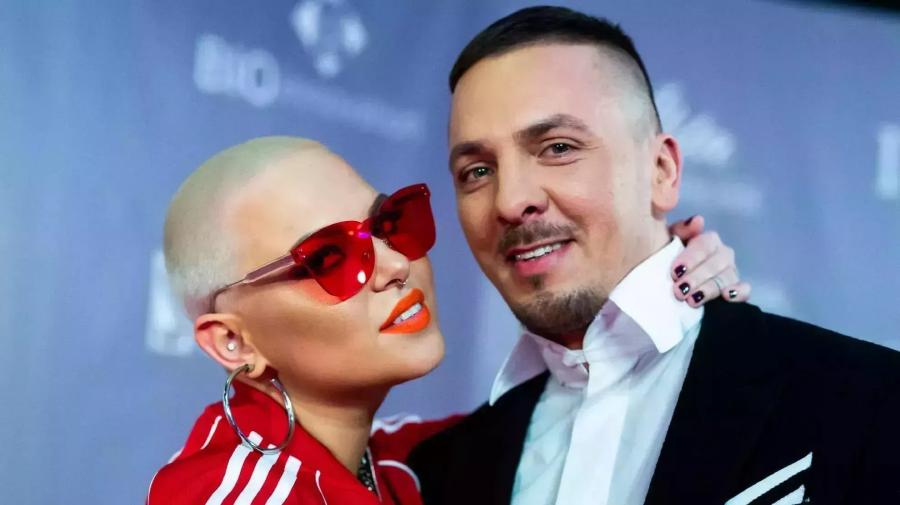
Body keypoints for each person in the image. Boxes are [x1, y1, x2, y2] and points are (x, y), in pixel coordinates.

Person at [407, 6, 900, 505]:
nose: (511, 201)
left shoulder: (871, 400)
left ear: (662, 171)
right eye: (477, 171)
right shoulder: (439, 472)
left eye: (557, 148)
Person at [146, 136, 744, 504]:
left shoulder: (403, 459)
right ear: (232, 341)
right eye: (330, 259)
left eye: (390, 224)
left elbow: (571, 404)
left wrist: (662, 282)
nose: (394, 265)